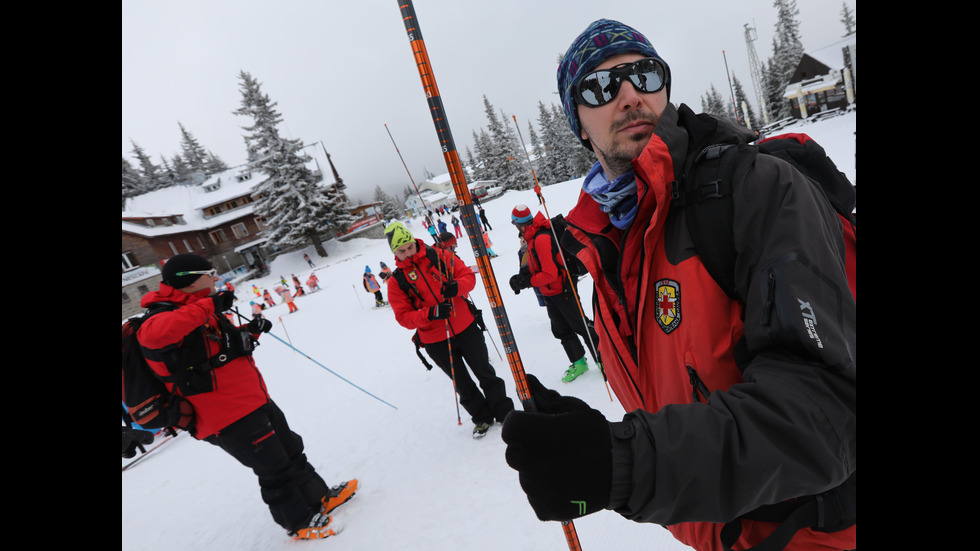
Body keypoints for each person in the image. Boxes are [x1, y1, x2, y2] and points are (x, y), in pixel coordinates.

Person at [500, 19, 855, 551]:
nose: (629, 97)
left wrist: (629, 462)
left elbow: (823, 414)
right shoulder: (609, 249)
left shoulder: (755, 191)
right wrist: (591, 447)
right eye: (600, 87)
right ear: (578, 122)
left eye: (644, 76)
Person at [136, 253, 357, 540]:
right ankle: (299, 522)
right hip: (225, 415)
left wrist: (249, 333)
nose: (216, 278)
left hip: (252, 399)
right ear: (188, 280)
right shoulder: (158, 318)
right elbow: (154, 336)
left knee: (291, 449)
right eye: (210, 272)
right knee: (273, 467)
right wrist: (209, 305)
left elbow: (217, 352)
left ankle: (319, 498)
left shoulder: (198, 310)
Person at [384, 222, 514, 438]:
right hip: (435, 339)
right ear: (395, 253)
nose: (408, 253)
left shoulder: (439, 255)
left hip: (465, 326)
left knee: (485, 372)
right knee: (462, 383)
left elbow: (468, 277)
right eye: (401, 251)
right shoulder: (396, 281)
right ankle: (481, 417)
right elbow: (403, 318)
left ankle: (504, 411)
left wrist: (456, 287)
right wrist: (431, 313)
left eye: (409, 247)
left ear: (414, 242)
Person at [508, 204, 600, 383]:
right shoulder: (533, 237)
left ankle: (604, 360)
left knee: (582, 326)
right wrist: (524, 276)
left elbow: (551, 273)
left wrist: (528, 282)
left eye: (515, 224)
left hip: (563, 289)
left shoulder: (541, 238)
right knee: (560, 329)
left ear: (520, 225)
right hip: (550, 293)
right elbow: (539, 265)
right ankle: (579, 362)